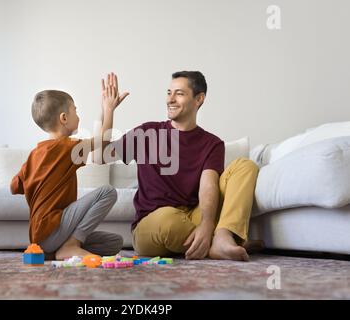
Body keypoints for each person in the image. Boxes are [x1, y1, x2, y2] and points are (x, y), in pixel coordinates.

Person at [108, 71, 260, 261]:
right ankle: (220, 245)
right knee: (168, 219)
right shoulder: (147, 132)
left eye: (179, 93)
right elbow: (101, 156)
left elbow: (208, 185)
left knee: (245, 166)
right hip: (154, 223)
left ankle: (222, 237)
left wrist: (206, 224)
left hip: (192, 215)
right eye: (169, 92)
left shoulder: (212, 143)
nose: (170, 99)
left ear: (199, 99)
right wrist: (108, 111)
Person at [10, 73, 129, 260]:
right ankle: (71, 246)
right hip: (52, 229)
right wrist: (109, 109)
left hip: (40, 239)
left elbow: (14, 186)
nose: (78, 116)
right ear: (64, 118)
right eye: (76, 111)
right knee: (108, 192)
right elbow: (104, 142)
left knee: (114, 242)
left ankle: (60, 249)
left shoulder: (35, 154)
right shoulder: (66, 147)